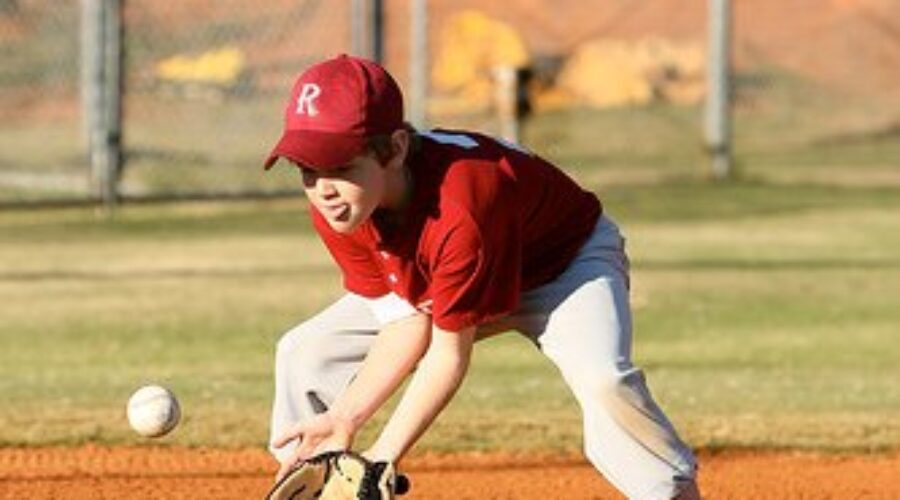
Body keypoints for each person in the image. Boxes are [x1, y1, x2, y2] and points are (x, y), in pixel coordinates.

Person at [262, 54, 700, 499]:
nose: (323, 188)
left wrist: (383, 456)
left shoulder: (460, 207)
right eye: (307, 169)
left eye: (340, 167)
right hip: (447, 271)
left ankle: (668, 493)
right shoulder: (343, 206)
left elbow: (448, 355)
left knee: (604, 379)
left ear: (394, 149)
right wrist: (346, 417)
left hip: (561, 269)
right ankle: (308, 476)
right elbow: (405, 323)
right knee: (305, 351)